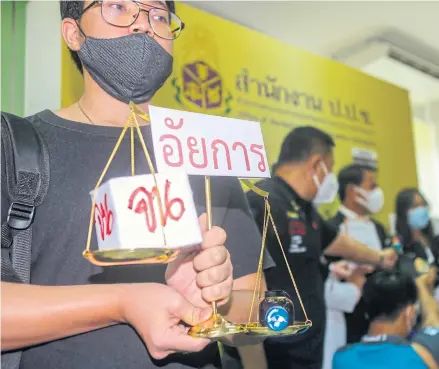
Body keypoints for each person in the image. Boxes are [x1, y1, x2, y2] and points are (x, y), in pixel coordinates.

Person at [1, 1, 274, 369]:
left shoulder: (203, 151)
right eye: (118, 7)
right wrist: (123, 303)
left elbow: (253, 314)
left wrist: (215, 300)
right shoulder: (15, 145)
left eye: (158, 15)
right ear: (72, 32)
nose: (143, 25)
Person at [224, 127, 398, 369]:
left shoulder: (306, 209)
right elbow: (243, 290)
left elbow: (338, 242)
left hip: (306, 352)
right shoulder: (262, 202)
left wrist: (379, 257)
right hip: (272, 355)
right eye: (331, 167)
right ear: (317, 165)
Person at [322, 164, 392, 368]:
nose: (377, 192)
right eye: (372, 186)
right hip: (347, 324)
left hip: (381, 321)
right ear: (353, 191)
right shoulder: (331, 228)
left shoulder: (378, 228)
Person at [333, 269, 439, 369]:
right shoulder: (421, 354)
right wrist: (421, 285)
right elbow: (433, 321)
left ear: (367, 312)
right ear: (409, 313)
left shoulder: (341, 358)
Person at [396, 188, 439, 273]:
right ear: (403, 211)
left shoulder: (433, 239)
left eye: (423, 205)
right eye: (415, 206)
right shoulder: (398, 243)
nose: (421, 209)